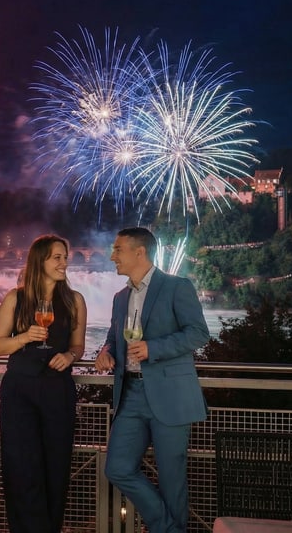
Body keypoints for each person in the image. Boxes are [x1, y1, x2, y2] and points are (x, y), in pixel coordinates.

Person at [94, 227, 209, 533]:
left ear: (139, 252)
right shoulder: (120, 298)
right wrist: (106, 351)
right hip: (130, 394)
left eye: (118, 249)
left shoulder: (176, 286)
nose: (112, 255)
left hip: (170, 394)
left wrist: (153, 348)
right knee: (117, 468)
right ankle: (171, 529)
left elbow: (198, 333)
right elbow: (112, 336)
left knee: (172, 478)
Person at [0, 234, 87, 533]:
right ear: (40, 261)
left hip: (57, 390)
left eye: (65, 256)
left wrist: (70, 357)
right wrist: (24, 338)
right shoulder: (14, 298)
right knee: (20, 467)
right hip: (19, 390)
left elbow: (78, 346)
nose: (64, 262)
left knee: (56, 466)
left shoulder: (75, 301)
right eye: (56, 257)